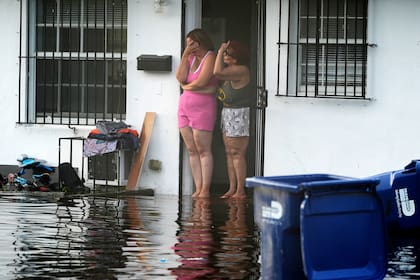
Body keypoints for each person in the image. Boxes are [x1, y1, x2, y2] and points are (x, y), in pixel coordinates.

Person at [176, 28, 218, 198]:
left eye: (191, 43)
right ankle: (198, 187)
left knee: (203, 149)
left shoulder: (211, 56)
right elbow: (180, 77)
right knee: (191, 149)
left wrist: (186, 87)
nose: (189, 46)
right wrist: (185, 56)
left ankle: (205, 190)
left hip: (203, 108)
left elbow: (201, 82)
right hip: (184, 107)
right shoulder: (190, 57)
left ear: (199, 42)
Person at [213, 40, 252, 199]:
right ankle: (232, 188)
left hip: (238, 114)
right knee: (229, 153)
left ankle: (240, 191)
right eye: (226, 52)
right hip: (228, 113)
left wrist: (220, 51)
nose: (225, 55)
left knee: (237, 153)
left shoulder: (241, 70)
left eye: (229, 53)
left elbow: (216, 72)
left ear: (237, 57)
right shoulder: (230, 70)